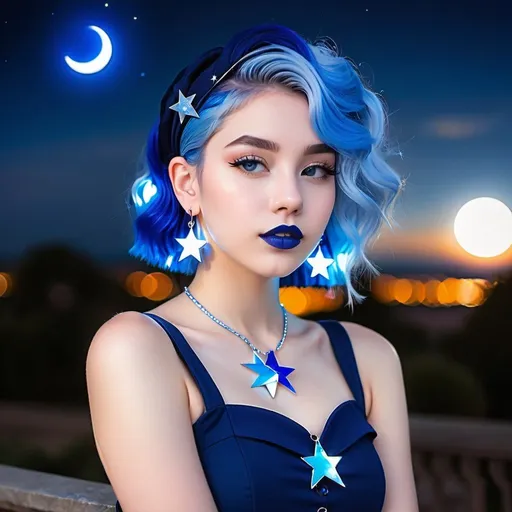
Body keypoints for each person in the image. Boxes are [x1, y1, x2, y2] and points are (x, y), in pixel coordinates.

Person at [86, 22, 418, 512]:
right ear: (187, 184)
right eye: (250, 163)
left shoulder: (370, 358)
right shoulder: (138, 349)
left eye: (315, 169)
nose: (289, 198)